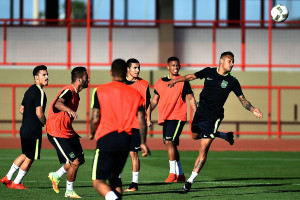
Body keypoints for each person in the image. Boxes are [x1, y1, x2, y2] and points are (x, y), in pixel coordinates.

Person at [168, 51, 263, 193]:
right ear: (221, 61)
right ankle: (225, 136)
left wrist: (253, 109)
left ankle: (189, 182)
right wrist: (176, 80)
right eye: (230, 61)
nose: (232, 64)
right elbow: (191, 77)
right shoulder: (209, 72)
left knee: (203, 148)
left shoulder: (232, 81)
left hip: (213, 117)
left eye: (233, 61)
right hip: (200, 112)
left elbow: (242, 99)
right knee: (194, 136)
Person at [89, 59, 150, 200]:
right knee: (114, 178)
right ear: (125, 72)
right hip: (125, 140)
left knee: (98, 182)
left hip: (107, 138)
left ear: (111, 72)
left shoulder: (100, 90)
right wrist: (143, 142)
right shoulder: (135, 94)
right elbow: (142, 120)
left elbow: (95, 117)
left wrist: (92, 132)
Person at [1, 65, 48, 189]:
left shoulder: (29, 90)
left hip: (24, 129)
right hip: (34, 131)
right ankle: (16, 182)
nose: (47, 77)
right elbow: (39, 113)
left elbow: (21, 109)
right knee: (30, 158)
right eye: (44, 75)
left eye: (47, 74)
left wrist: (29, 117)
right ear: (36, 77)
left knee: (24, 154)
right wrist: (46, 123)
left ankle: (7, 177)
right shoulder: (40, 92)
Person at [151, 56, 197, 183]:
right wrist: (147, 112)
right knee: (171, 145)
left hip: (177, 116)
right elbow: (154, 100)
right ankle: (181, 174)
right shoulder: (160, 82)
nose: (176, 67)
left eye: (177, 65)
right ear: (168, 67)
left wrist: (197, 114)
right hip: (165, 118)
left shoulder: (183, 81)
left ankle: (172, 174)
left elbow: (191, 98)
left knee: (169, 142)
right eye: (173, 65)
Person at [46, 66, 89, 198]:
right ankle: (69, 191)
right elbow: (58, 104)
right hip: (57, 132)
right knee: (74, 162)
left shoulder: (76, 95)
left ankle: (56, 175)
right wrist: (68, 109)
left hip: (67, 131)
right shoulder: (69, 90)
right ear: (79, 80)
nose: (89, 80)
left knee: (80, 160)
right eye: (87, 78)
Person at [122, 58, 151, 192]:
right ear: (128, 69)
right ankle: (117, 181)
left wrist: (148, 118)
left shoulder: (144, 84)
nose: (138, 70)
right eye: (135, 68)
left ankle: (134, 184)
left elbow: (148, 103)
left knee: (134, 153)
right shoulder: (120, 83)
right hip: (121, 123)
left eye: (139, 68)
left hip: (136, 124)